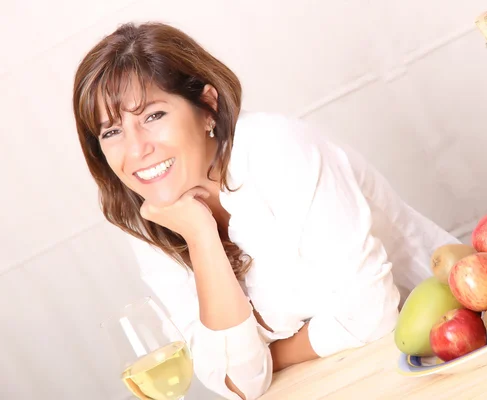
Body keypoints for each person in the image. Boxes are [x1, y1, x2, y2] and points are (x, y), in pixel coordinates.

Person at [72, 22, 459, 400]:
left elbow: (373, 314)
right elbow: (234, 383)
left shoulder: (273, 148)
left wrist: (269, 358)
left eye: (153, 116)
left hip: (447, 348)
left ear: (207, 106)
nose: (137, 149)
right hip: (339, 382)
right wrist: (201, 236)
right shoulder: (152, 218)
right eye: (111, 132)